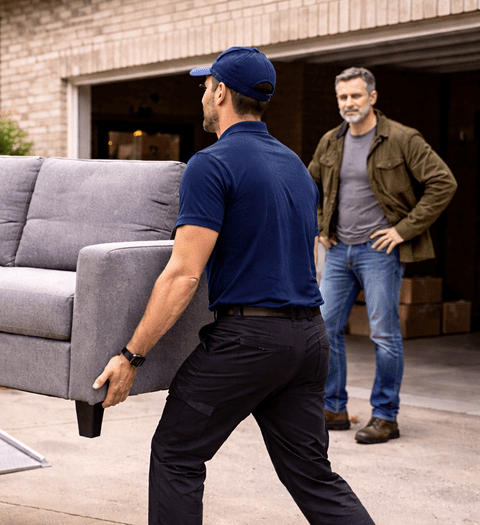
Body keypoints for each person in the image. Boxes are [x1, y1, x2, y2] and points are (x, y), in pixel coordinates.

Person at [93, 47, 374, 524]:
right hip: (308, 339)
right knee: (311, 473)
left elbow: (183, 274)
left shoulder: (211, 163)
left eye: (206, 86)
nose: (203, 94)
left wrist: (132, 355)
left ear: (221, 92)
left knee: (177, 454)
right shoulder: (294, 167)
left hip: (248, 342)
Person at [308, 67, 457, 444]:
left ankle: (386, 416)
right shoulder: (331, 141)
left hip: (379, 253)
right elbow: (307, 186)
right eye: (343, 97)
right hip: (339, 250)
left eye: (356, 96)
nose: (348, 104)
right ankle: (333, 408)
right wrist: (319, 229)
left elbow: (443, 183)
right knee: (325, 329)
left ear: (372, 97)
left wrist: (402, 230)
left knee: (384, 334)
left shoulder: (402, 138)